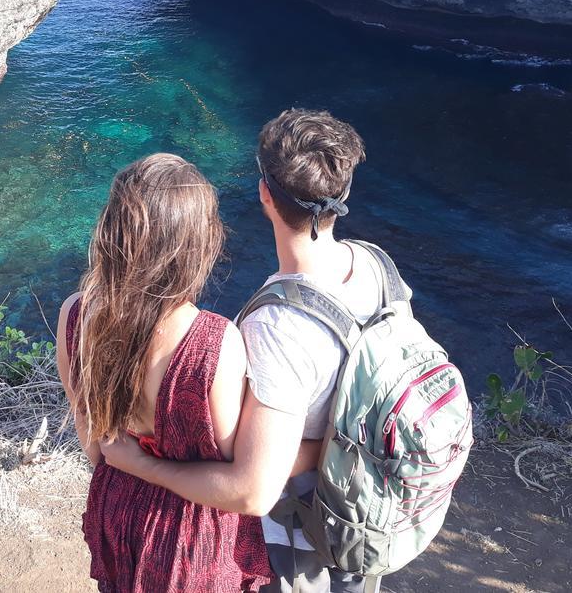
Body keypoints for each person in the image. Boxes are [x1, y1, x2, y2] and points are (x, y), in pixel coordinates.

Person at [102, 109, 392, 593]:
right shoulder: (376, 266)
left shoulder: (274, 329)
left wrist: (147, 466)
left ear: (264, 195)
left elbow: (253, 488)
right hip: (368, 505)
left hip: (304, 531)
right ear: (341, 195)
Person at [55, 153, 272, 593]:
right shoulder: (215, 345)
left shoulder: (75, 316)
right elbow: (234, 479)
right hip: (190, 541)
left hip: (116, 507)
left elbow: (95, 444)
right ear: (196, 245)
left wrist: (132, 462)